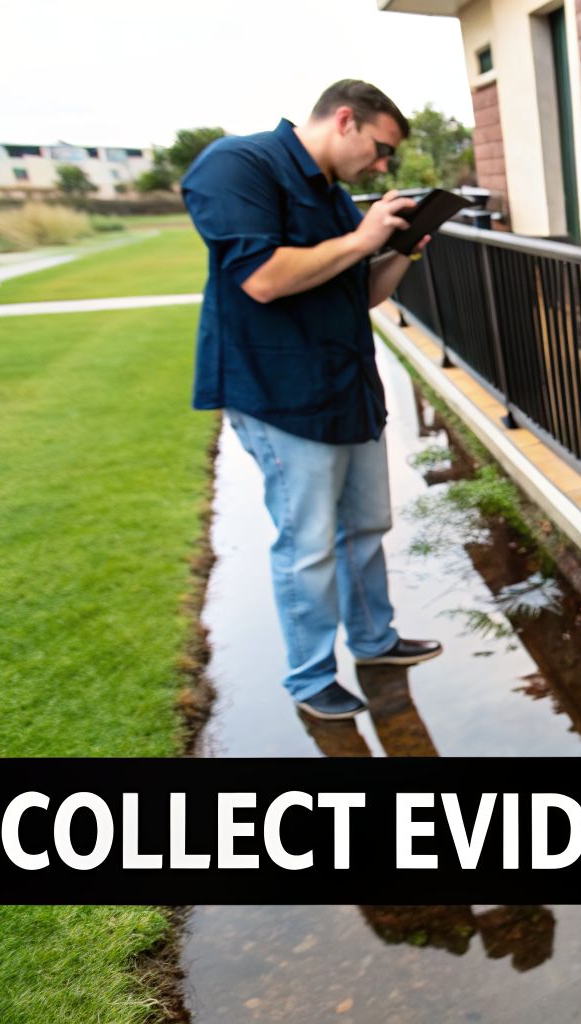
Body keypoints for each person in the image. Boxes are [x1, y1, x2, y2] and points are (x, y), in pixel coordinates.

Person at [184, 80, 443, 721]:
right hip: (281, 397)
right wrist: (362, 238)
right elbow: (265, 280)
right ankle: (309, 678)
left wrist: (403, 250)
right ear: (346, 120)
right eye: (382, 148)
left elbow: (363, 294)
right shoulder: (237, 166)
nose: (383, 165)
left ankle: (375, 642)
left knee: (365, 528)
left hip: (346, 388)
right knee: (309, 545)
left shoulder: (332, 196)